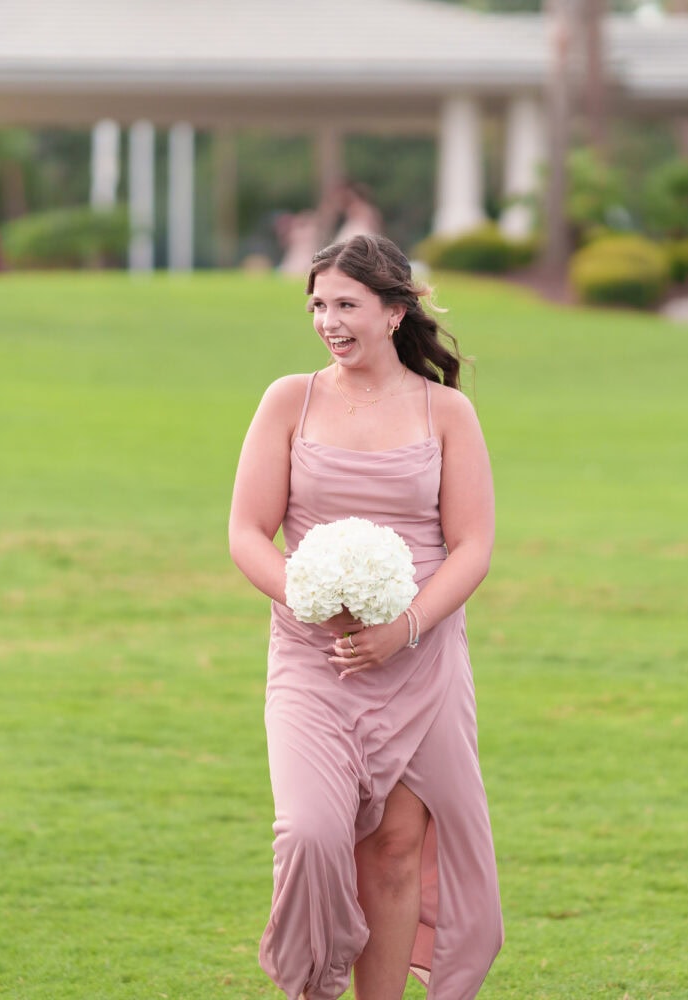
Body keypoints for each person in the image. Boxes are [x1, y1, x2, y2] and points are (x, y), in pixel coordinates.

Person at [228, 234, 503, 999]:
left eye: (345, 304)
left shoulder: (446, 413)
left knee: (393, 851)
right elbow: (247, 532)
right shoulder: (291, 399)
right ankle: (312, 981)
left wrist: (403, 628)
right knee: (310, 834)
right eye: (317, 304)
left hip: (421, 662)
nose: (327, 321)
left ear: (393, 312)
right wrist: (307, 598)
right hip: (313, 659)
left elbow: (473, 545)